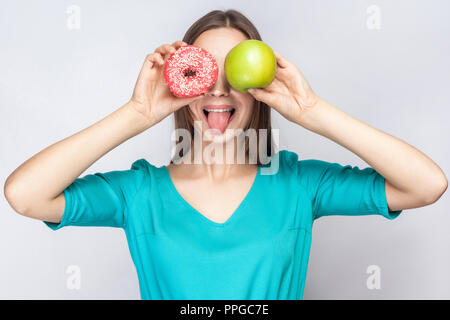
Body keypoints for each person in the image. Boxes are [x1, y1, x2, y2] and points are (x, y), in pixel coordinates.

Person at [4, 9, 447, 300]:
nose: (218, 88)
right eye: (204, 70)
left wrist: (313, 111)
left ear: (258, 89)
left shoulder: (299, 184)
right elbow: (25, 195)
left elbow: (427, 185)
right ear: (182, 84)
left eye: (234, 69)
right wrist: (136, 113)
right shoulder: (139, 193)